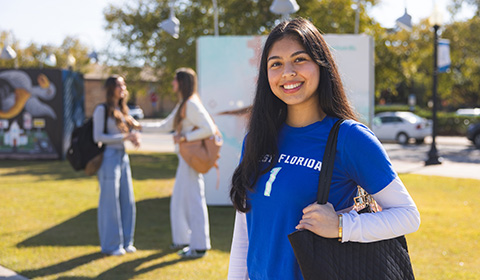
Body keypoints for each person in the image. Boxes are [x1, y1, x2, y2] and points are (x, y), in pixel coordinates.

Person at [227, 18, 421, 279]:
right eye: (276, 64)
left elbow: (408, 216)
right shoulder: (256, 139)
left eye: (299, 59)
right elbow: (244, 229)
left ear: (321, 64)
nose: (287, 72)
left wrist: (342, 226)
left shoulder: (349, 138)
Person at [149, 67, 216, 258]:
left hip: (190, 161)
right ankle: (186, 241)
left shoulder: (191, 105)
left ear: (182, 83)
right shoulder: (184, 104)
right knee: (180, 201)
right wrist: (138, 127)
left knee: (193, 202)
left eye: (175, 80)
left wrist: (185, 137)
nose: (172, 83)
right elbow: (164, 126)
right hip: (185, 161)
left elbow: (209, 129)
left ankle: (200, 246)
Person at [92, 75, 142, 256]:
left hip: (122, 157)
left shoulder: (122, 110)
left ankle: (127, 241)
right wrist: (125, 137)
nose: (122, 87)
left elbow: (135, 128)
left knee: (127, 200)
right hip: (108, 158)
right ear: (110, 88)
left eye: (123, 84)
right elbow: (97, 137)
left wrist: (134, 135)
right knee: (109, 202)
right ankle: (111, 245)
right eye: (119, 85)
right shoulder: (101, 110)